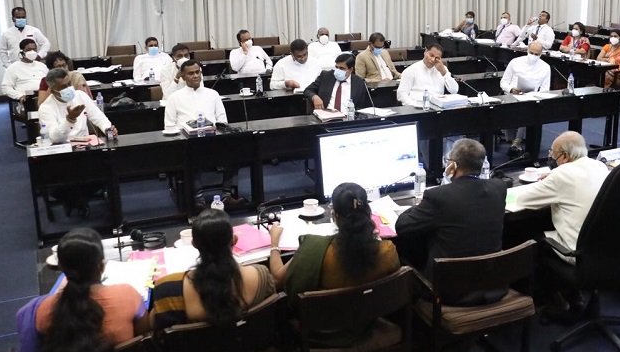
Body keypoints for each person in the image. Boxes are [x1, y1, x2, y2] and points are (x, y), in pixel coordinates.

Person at [15, 228, 147, 352]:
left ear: (61, 268)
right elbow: (145, 341)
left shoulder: (34, 311)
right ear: (101, 267)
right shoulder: (129, 296)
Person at [269, 183, 400, 335]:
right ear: (367, 212)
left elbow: (276, 279)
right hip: (368, 324)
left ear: (335, 216)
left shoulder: (313, 249)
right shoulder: (388, 251)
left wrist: (274, 243)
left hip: (323, 334)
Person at [395, 139, 508, 286]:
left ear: (453, 165)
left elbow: (403, 227)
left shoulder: (438, 197)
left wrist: (421, 204)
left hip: (449, 290)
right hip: (492, 284)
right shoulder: (499, 188)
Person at [147, 210, 275, 330]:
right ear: (234, 240)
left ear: (194, 244)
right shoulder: (262, 276)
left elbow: (153, 329)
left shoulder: (166, 290)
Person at [512, 131, 609, 263]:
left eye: (553, 153)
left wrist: (552, 179)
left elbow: (523, 200)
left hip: (574, 252)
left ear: (564, 156)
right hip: (602, 249)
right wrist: (553, 178)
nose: (551, 156)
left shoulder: (561, 174)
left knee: (521, 233)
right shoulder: (600, 166)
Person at [164, 60, 244, 209]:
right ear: (183, 76)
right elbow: (169, 125)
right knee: (190, 155)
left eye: (197, 72)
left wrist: (216, 128)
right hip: (188, 143)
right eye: (190, 73)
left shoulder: (212, 94)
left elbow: (223, 121)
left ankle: (226, 195)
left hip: (213, 140)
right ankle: (198, 199)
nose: (195, 76)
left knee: (236, 152)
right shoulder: (174, 97)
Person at [38, 67, 117, 143]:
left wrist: (107, 129)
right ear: (53, 91)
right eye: (63, 87)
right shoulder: (45, 108)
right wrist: (70, 119)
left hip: (86, 145)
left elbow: (98, 117)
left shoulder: (80, 95)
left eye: (69, 84)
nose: (69, 88)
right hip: (63, 147)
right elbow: (54, 138)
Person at [500, 41, 551, 154]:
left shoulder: (545, 67)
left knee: (528, 110)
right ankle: (512, 140)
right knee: (510, 109)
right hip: (512, 95)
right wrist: (511, 89)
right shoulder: (515, 62)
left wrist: (533, 95)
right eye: (531, 53)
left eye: (536, 54)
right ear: (527, 50)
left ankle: (516, 142)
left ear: (541, 54)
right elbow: (503, 82)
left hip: (531, 98)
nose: (533, 56)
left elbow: (545, 90)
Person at [305, 53, 370, 111]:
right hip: (325, 115)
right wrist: (314, 97)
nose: (338, 70)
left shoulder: (359, 83)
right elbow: (308, 90)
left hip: (348, 117)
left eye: (342, 68)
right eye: (336, 67)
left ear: (350, 69)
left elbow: (362, 107)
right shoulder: (326, 76)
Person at [1, 39, 48, 104]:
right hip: (26, 100)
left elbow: (50, 82)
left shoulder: (42, 66)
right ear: (22, 52)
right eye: (29, 50)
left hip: (45, 97)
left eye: (34, 49)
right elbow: (6, 87)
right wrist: (19, 96)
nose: (32, 52)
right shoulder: (13, 67)